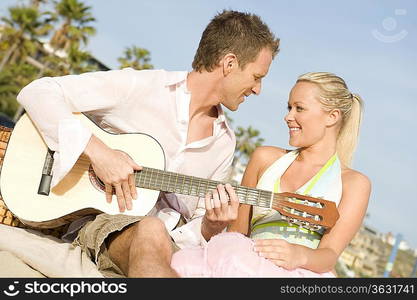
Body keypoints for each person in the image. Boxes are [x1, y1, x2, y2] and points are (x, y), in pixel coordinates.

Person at [16, 10, 280, 277]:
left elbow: (198, 225)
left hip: (167, 246)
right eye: (257, 77)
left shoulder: (224, 143)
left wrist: (210, 226)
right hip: (102, 226)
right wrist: (99, 153)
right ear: (230, 63)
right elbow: (38, 92)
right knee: (153, 228)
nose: (257, 89)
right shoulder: (141, 87)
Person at [171, 72, 371, 277]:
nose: (288, 116)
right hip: (244, 260)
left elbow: (329, 255)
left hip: (302, 271)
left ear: (332, 116)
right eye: (289, 107)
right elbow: (237, 233)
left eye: (299, 108)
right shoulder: (264, 159)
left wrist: (299, 255)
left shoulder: (354, 183)